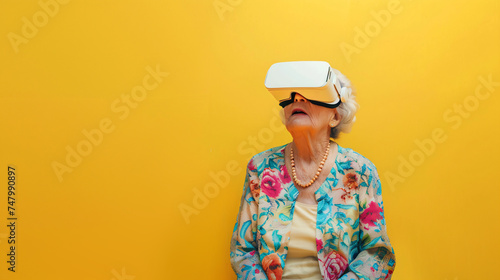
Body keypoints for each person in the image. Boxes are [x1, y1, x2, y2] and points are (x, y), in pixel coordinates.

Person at [229, 63, 396, 280]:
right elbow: (242, 250)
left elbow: (378, 255)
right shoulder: (260, 168)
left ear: (335, 116)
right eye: (292, 95)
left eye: (311, 94)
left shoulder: (360, 172)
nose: (298, 99)